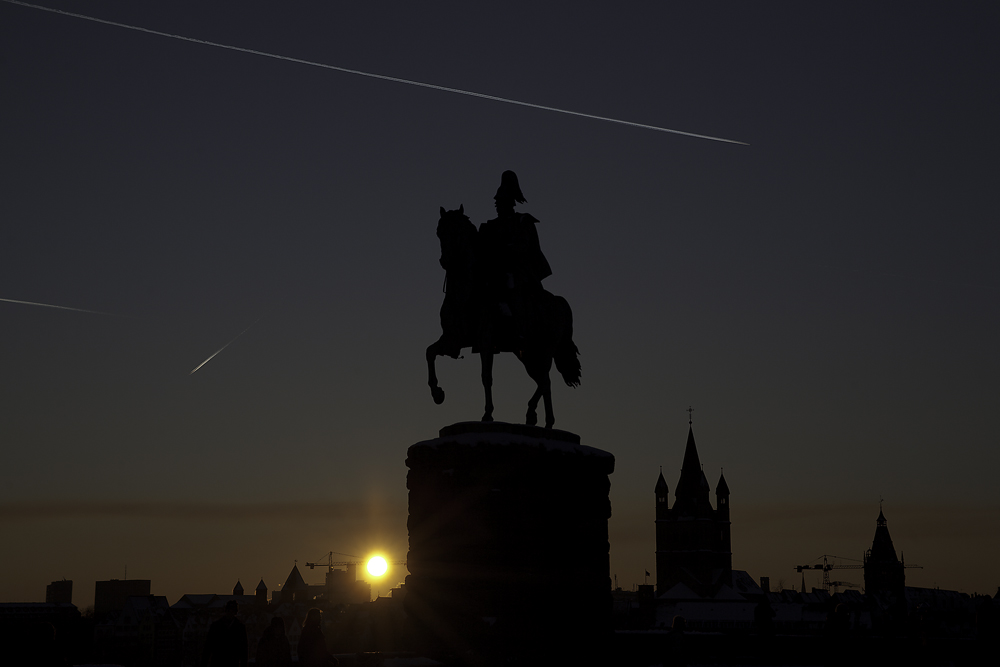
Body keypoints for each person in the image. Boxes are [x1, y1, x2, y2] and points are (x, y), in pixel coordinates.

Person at [477, 170, 552, 344]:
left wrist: (504, 249)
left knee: (512, 285)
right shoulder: (490, 226)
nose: (497, 206)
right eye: (496, 202)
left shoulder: (522, 222)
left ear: (509, 203)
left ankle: (520, 331)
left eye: (501, 202)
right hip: (495, 269)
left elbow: (523, 247)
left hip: (519, 269)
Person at [201, 600, 248, 667]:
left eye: (232, 611)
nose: (230, 613)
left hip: (225, 662)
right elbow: (208, 647)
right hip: (222, 662)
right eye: (229, 611)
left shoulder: (216, 626)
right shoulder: (216, 626)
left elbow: (244, 650)